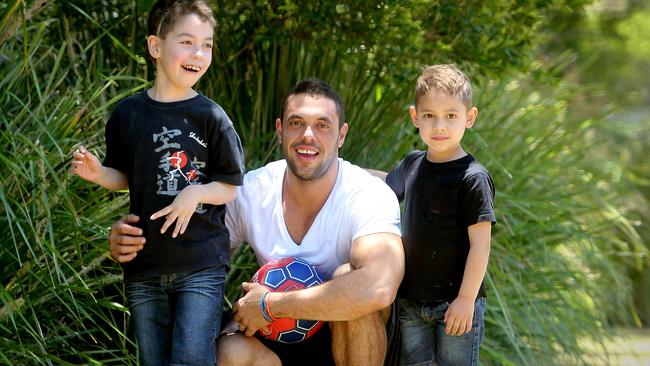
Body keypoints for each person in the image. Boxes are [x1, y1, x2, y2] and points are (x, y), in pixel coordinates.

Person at [109, 78, 405, 366]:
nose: (308, 136)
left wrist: (270, 305)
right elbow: (193, 252)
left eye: (322, 125)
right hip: (277, 345)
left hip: (345, 340)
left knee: (349, 281)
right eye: (296, 123)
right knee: (230, 352)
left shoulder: (366, 194)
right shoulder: (252, 191)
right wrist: (134, 238)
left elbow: (379, 286)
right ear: (280, 130)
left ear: (341, 135)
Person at [71, 1, 245, 364]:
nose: (198, 53)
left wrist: (194, 192)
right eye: (186, 41)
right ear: (155, 46)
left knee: (191, 359)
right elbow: (126, 175)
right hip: (145, 265)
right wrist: (98, 173)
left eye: (207, 44)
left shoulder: (212, 117)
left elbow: (230, 183)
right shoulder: (128, 114)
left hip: (201, 263)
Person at [375, 64, 496, 366]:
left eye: (451, 116)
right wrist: (341, 171)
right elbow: (385, 182)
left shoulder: (472, 177)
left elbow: (481, 245)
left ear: (469, 118)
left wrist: (467, 300)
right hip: (413, 303)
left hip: (456, 304)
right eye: (429, 116)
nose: (439, 126)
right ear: (416, 117)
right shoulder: (413, 164)